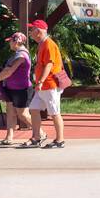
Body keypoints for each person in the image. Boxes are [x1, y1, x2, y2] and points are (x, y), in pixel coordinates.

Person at [26, 19, 66, 148]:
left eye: (32, 29)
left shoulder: (49, 44)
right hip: (43, 86)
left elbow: (49, 64)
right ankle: (37, 137)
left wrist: (41, 81)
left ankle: (60, 140)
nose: (30, 32)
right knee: (33, 109)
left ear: (38, 31)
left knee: (54, 113)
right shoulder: (42, 44)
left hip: (49, 85)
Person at [0, 32, 33, 146]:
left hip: (22, 89)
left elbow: (8, 71)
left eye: (10, 41)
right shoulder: (16, 54)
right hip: (11, 88)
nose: (9, 43)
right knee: (10, 113)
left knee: (23, 114)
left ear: (16, 41)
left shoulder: (21, 55)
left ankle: (40, 133)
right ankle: (9, 138)